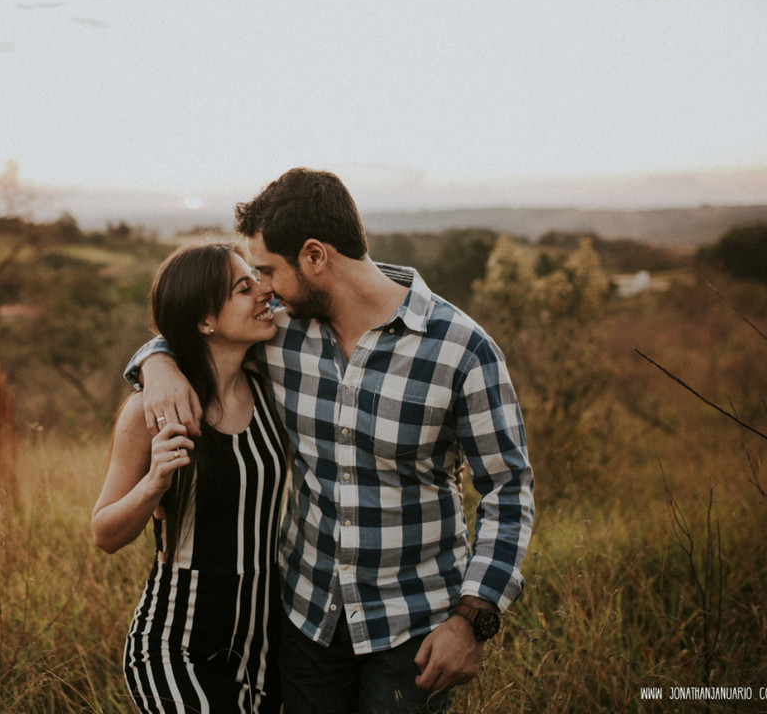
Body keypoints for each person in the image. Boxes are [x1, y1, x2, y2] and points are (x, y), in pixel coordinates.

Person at [126, 169, 535, 713]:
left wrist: (472, 620)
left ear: (315, 257)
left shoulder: (462, 350)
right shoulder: (279, 334)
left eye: (268, 270)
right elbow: (194, 326)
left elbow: (508, 491)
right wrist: (156, 364)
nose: (263, 288)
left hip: (412, 630)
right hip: (305, 621)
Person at [93, 242, 289, 714]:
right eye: (244, 288)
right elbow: (104, 534)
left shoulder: (275, 392)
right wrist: (154, 483)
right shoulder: (149, 411)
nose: (263, 292)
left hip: (263, 652)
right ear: (205, 321)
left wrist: (152, 357)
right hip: (175, 642)